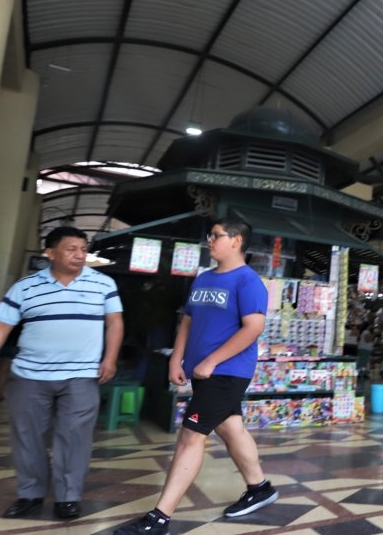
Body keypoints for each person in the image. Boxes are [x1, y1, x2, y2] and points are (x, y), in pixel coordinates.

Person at [116, 220, 277, 535]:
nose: (210, 240)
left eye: (216, 235)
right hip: (204, 370)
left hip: (226, 372)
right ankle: (260, 488)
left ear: (236, 240)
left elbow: (253, 328)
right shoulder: (203, 278)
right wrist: (176, 358)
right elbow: (187, 321)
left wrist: (212, 361)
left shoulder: (248, 281)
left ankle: (159, 518)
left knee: (190, 436)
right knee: (230, 427)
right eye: (210, 235)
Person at [0, 227, 124, 521]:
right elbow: (0, 326)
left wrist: (110, 358)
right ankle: (30, 494)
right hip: (29, 375)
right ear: (50, 253)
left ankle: (68, 497)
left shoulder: (103, 283)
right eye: (71, 249)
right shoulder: (25, 287)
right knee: (28, 437)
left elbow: (114, 322)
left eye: (83, 249)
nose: (79, 255)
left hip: (81, 375)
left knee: (74, 437)